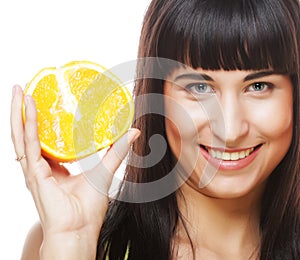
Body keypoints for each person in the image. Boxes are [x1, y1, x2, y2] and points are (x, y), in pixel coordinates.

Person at [11, 0, 300, 259]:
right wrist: (72, 242)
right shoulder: (67, 242)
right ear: (157, 96)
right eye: (199, 87)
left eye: (258, 86)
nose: (231, 129)